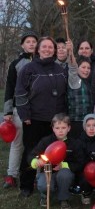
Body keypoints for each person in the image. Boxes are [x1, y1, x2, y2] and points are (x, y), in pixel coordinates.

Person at [15, 36, 68, 198]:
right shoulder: (29, 69)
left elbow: (65, 94)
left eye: (50, 47)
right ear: (38, 50)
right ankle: (26, 184)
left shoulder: (60, 69)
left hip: (56, 121)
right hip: (35, 118)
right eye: (44, 47)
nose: (47, 49)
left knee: (55, 152)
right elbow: (20, 93)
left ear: (55, 50)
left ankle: (50, 183)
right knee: (31, 152)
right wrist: (25, 115)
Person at [2, 31, 38, 189]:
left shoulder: (42, 62)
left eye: (34, 41)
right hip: (20, 109)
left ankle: (36, 174)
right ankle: (12, 174)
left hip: (39, 109)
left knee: (37, 143)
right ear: (22, 45)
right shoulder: (16, 63)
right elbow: (9, 87)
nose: (31, 44)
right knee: (18, 143)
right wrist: (8, 111)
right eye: (28, 41)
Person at [29, 114, 85, 209]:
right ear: (53, 129)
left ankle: (64, 198)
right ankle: (45, 195)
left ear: (69, 128)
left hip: (65, 172)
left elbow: (80, 162)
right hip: (47, 171)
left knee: (64, 175)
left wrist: (64, 165)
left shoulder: (75, 143)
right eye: (57, 128)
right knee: (44, 184)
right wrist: (35, 161)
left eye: (63, 127)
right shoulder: (46, 141)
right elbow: (32, 154)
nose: (60, 130)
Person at [66, 41, 94, 138]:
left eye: (88, 68)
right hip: (75, 122)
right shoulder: (74, 81)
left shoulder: (89, 82)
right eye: (83, 67)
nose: (86, 70)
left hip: (87, 122)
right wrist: (70, 52)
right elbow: (72, 68)